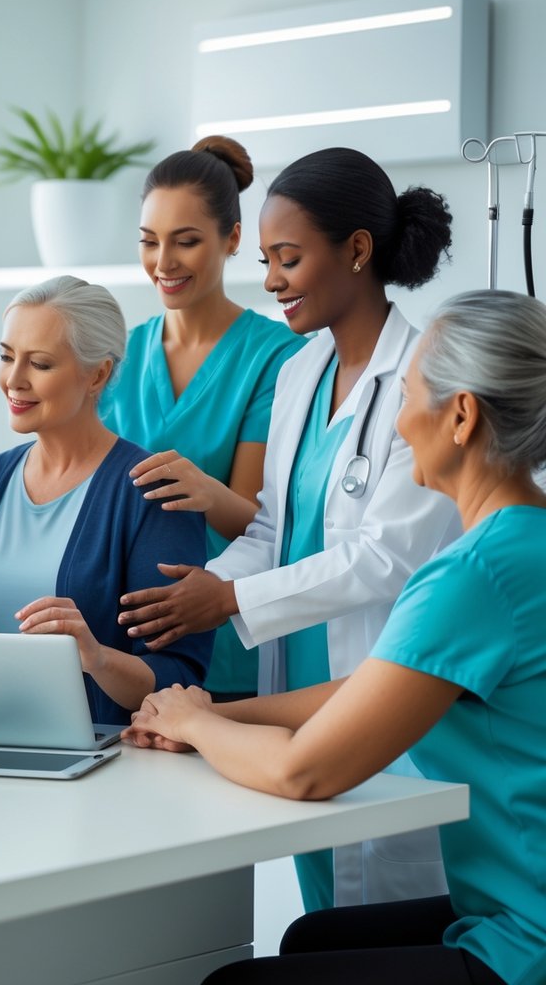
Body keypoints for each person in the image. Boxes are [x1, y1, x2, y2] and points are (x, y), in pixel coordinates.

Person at [125, 290, 546, 985]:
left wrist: (197, 726)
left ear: (462, 416)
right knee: (309, 938)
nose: (400, 422)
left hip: (525, 943)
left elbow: (305, 772)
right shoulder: (523, 543)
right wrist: (209, 714)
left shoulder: (474, 575)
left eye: (408, 397)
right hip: (513, 904)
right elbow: (374, 689)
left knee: (234, 981)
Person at [119, 148, 461, 910]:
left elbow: (384, 558)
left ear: (358, 250)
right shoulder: (301, 372)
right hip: (296, 694)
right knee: (323, 905)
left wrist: (231, 601)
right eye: (268, 260)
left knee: (389, 913)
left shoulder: (424, 378)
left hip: (379, 682)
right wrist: (205, 587)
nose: (272, 280)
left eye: (289, 258)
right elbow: (274, 525)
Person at [0, 276, 213, 734]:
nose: (14, 380)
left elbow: (180, 678)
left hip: (110, 761)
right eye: (6, 356)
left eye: (39, 363)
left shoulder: (152, 493)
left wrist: (96, 658)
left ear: (98, 374)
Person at [101, 136, 303, 702]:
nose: (163, 263)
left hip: (225, 648)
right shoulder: (116, 359)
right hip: (119, 648)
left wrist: (205, 491)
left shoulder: (277, 359)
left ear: (232, 238)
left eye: (185, 241)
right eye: (149, 242)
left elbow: (265, 529)